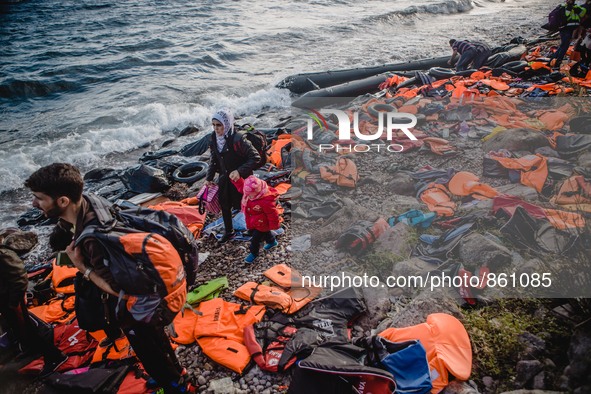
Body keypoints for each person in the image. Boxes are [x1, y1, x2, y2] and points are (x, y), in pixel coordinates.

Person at [24, 163, 194, 393]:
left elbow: (117, 289)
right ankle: (175, 374)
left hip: (143, 307)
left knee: (149, 350)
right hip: (157, 290)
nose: (34, 204)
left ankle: (177, 386)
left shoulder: (95, 240)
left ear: (63, 201)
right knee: (158, 343)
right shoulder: (92, 201)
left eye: (39, 198)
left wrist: (82, 267)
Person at [0, 228, 67, 378]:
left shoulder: (3, 255)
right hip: (6, 301)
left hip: (12, 301)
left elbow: (19, 277)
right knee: (18, 330)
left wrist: (15, 300)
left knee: (29, 330)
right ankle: (31, 351)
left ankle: (56, 358)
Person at [205, 109, 260, 244]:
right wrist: (209, 178)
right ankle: (229, 232)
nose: (216, 129)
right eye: (213, 125)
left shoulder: (238, 139)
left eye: (219, 125)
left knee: (247, 205)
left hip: (242, 180)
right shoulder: (214, 138)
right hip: (225, 178)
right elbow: (214, 159)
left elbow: (255, 157)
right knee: (225, 205)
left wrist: (239, 171)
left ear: (227, 124)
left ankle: (254, 229)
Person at [231, 175, 280, 263]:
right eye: (247, 194)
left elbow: (272, 213)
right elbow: (242, 187)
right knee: (266, 233)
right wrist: (237, 180)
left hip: (262, 223)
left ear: (258, 192)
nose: (248, 196)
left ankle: (254, 253)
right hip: (254, 220)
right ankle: (272, 242)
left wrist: (274, 225)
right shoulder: (249, 192)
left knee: (255, 240)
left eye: (250, 195)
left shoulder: (266, 201)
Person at [548, 0, 587, 68]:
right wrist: (569, 7)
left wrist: (575, 8)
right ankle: (557, 62)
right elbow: (566, 15)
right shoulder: (563, 7)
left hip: (571, 29)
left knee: (563, 45)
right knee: (564, 46)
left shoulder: (577, 7)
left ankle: (553, 60)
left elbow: (582, 13)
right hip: (564, 29)